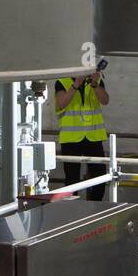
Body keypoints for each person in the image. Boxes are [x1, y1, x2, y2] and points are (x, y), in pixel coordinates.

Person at [55, 61, 110, 201]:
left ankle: (93, 208)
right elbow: (62, 103)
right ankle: (73, 212)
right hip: (71, 139)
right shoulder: (62, 81)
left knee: (100, 178)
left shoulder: (95, 81)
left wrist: (95, 84)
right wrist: (76, 85)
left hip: (93, 137)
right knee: (72, 180)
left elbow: (105, 100)